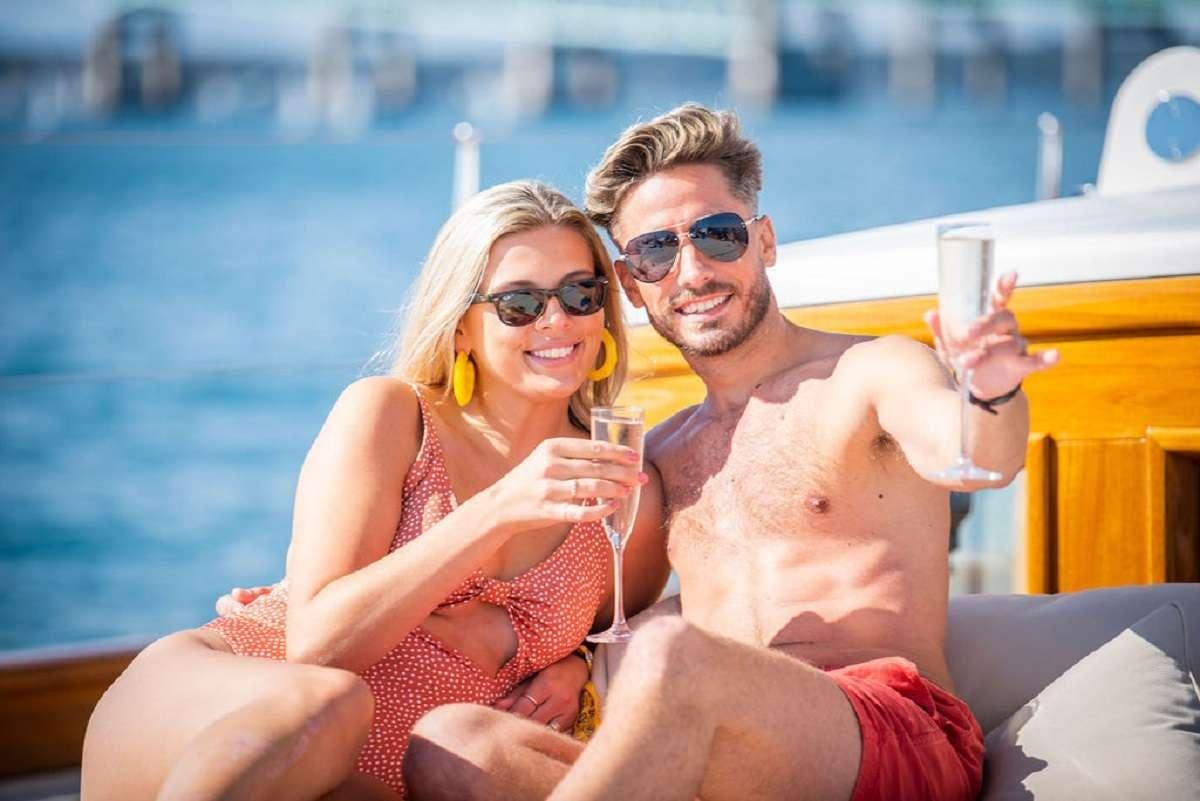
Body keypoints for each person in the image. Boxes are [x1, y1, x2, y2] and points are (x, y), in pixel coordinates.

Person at [402, 104, 1059, 801]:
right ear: (630, 284)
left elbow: (980, 456)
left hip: (891, 731)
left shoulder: (870, 374)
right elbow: (663, 605)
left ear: (765, 241)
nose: (692, 271)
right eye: (656, 250)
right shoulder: (659, 454)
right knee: (454, 743)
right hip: (725, 748)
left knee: (671, 658)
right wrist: (580, 662)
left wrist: (988, 395)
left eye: (717, 235)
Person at [81, 180, 670, 801]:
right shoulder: (393, 416)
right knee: (329, 701)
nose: (558, 319)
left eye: (580, 293)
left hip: (379, 781)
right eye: (520, 303)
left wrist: (574, 664)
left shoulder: (624, 486)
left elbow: (613, 636)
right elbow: (317, 649)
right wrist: (496, 511)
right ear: (460, 327)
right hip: (227, 703)